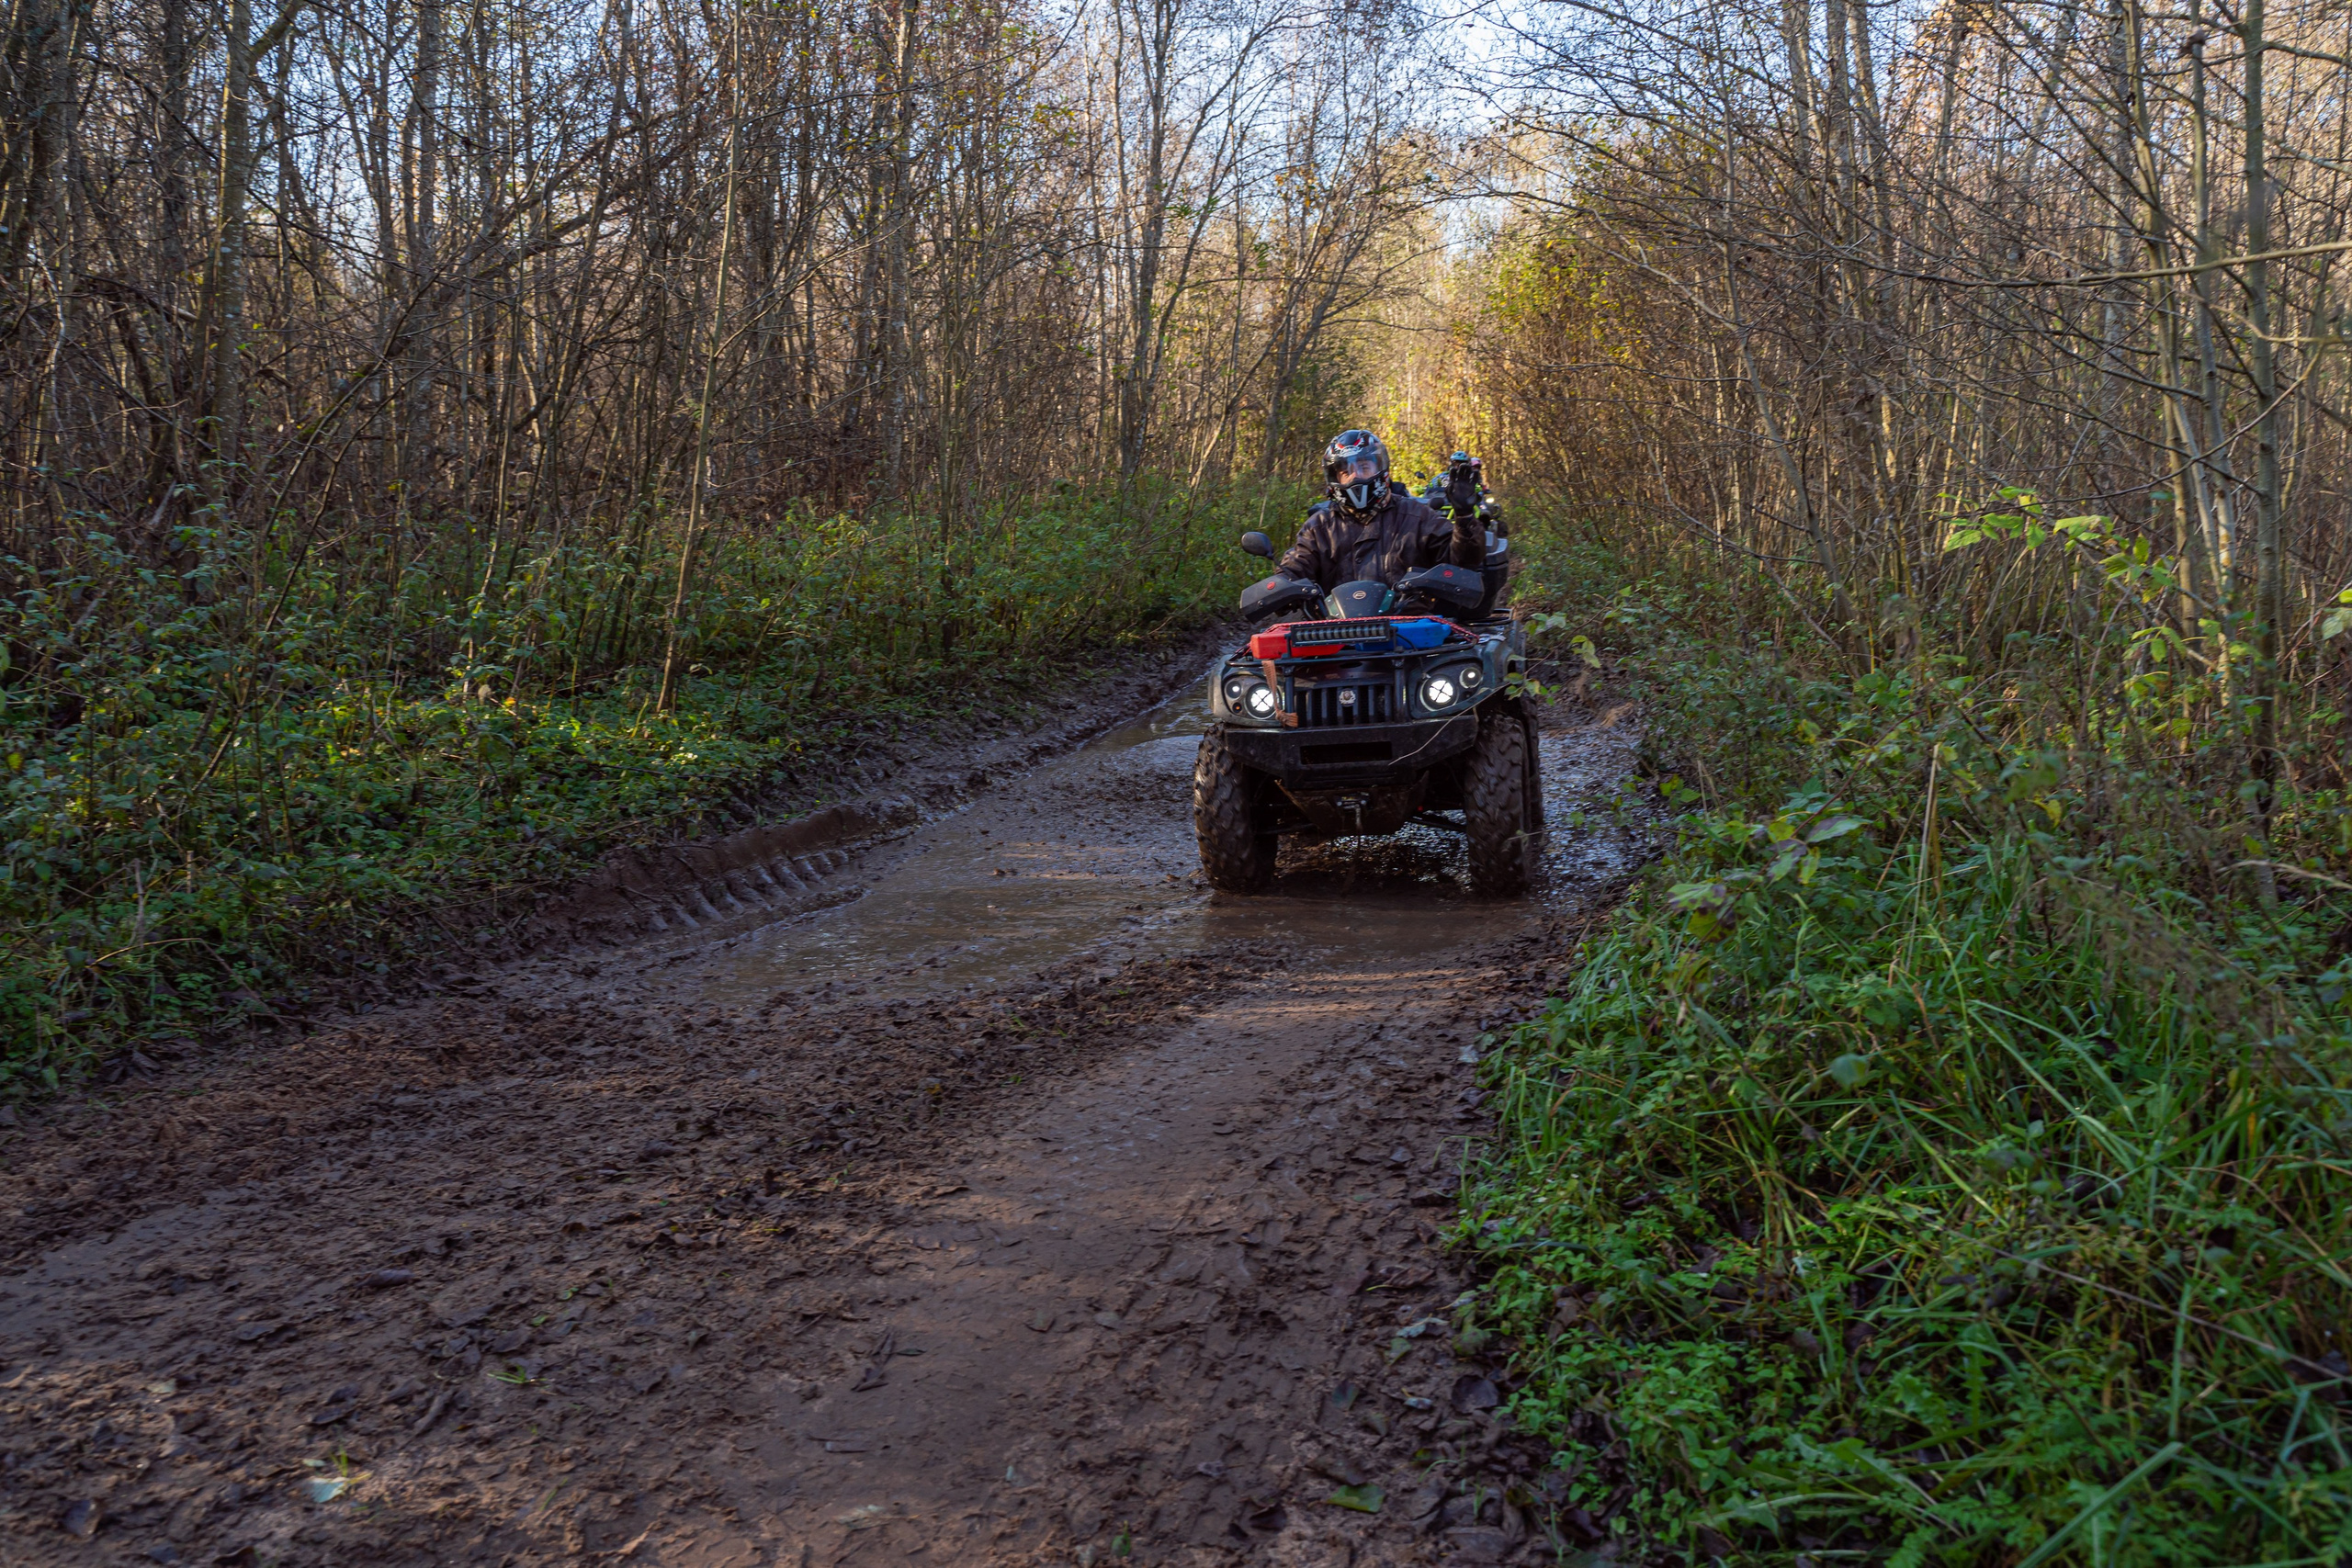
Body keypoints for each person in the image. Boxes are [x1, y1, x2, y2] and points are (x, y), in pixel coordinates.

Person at [1279, 429, 1482, 592]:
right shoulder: (1319, 528)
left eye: (1364, 467)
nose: (1355, 476)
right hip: (1337, 634)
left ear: (1381, 469)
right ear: (1335, 479)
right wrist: (1279, 584)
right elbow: (1297, 566)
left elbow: (1462, 562)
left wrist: (1464, 518)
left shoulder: (1418, 516)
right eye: (1345, 472)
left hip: (1412, 632)